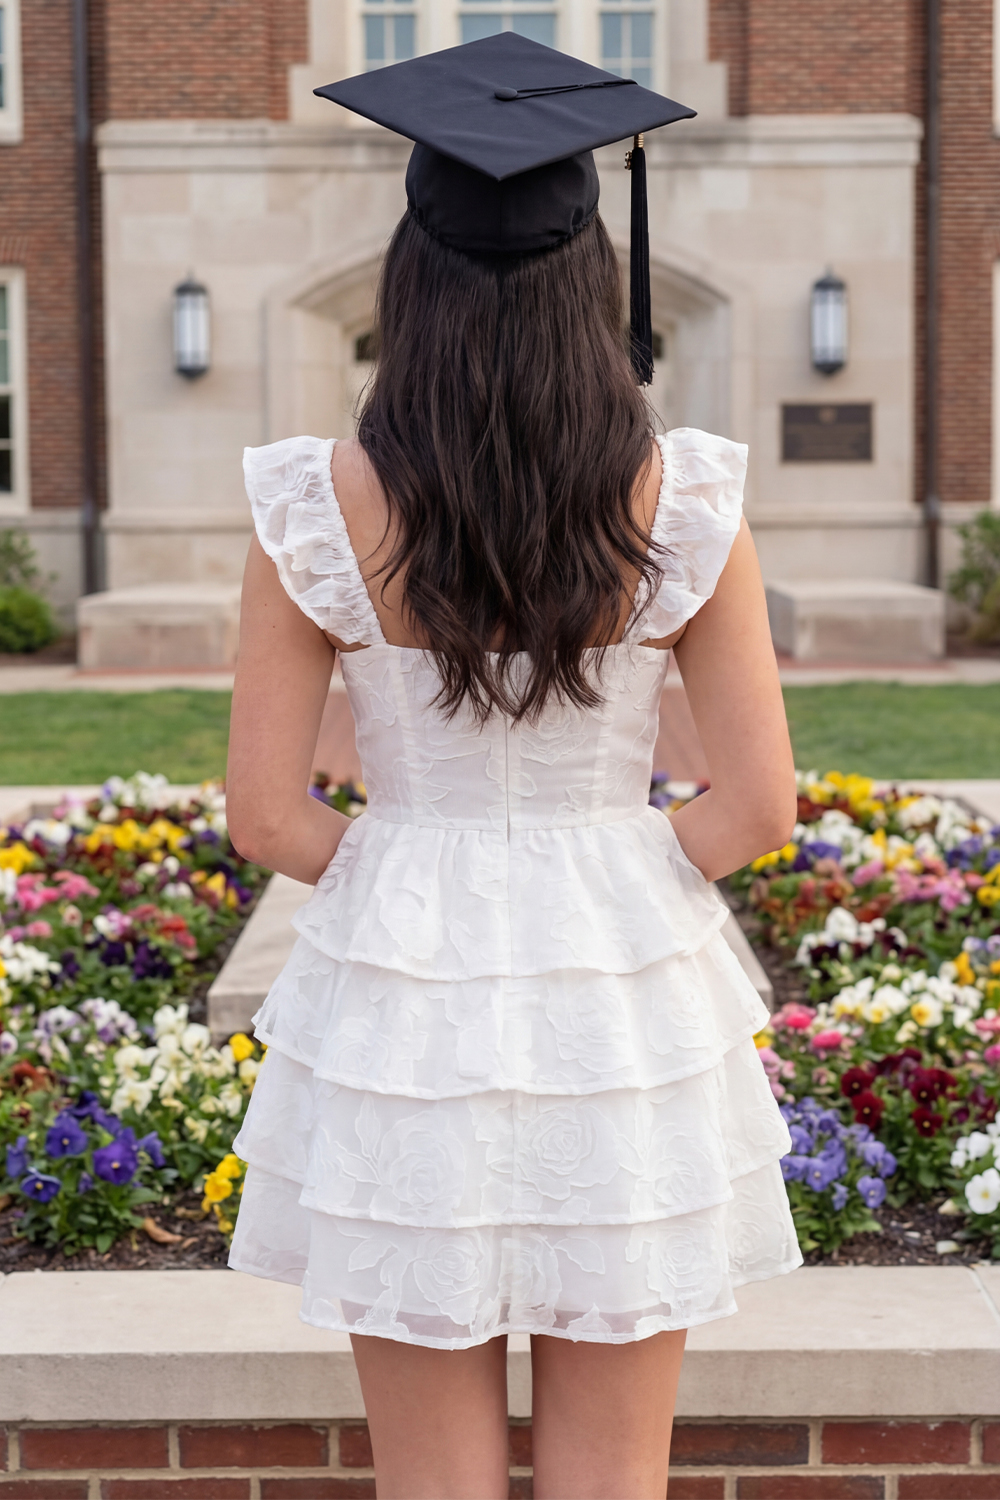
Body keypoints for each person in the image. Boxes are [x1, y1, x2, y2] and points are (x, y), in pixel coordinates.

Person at [225, 32, 801, 1500]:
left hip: (402, 997)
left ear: (407, 279)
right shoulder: (687, 500)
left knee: (434, 1483)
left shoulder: (318, 504)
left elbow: (264, 813)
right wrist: (617, 865)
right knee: (616, 1479)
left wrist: (406, 866)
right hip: (620, 989)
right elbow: (757, 806)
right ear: (591, 278)